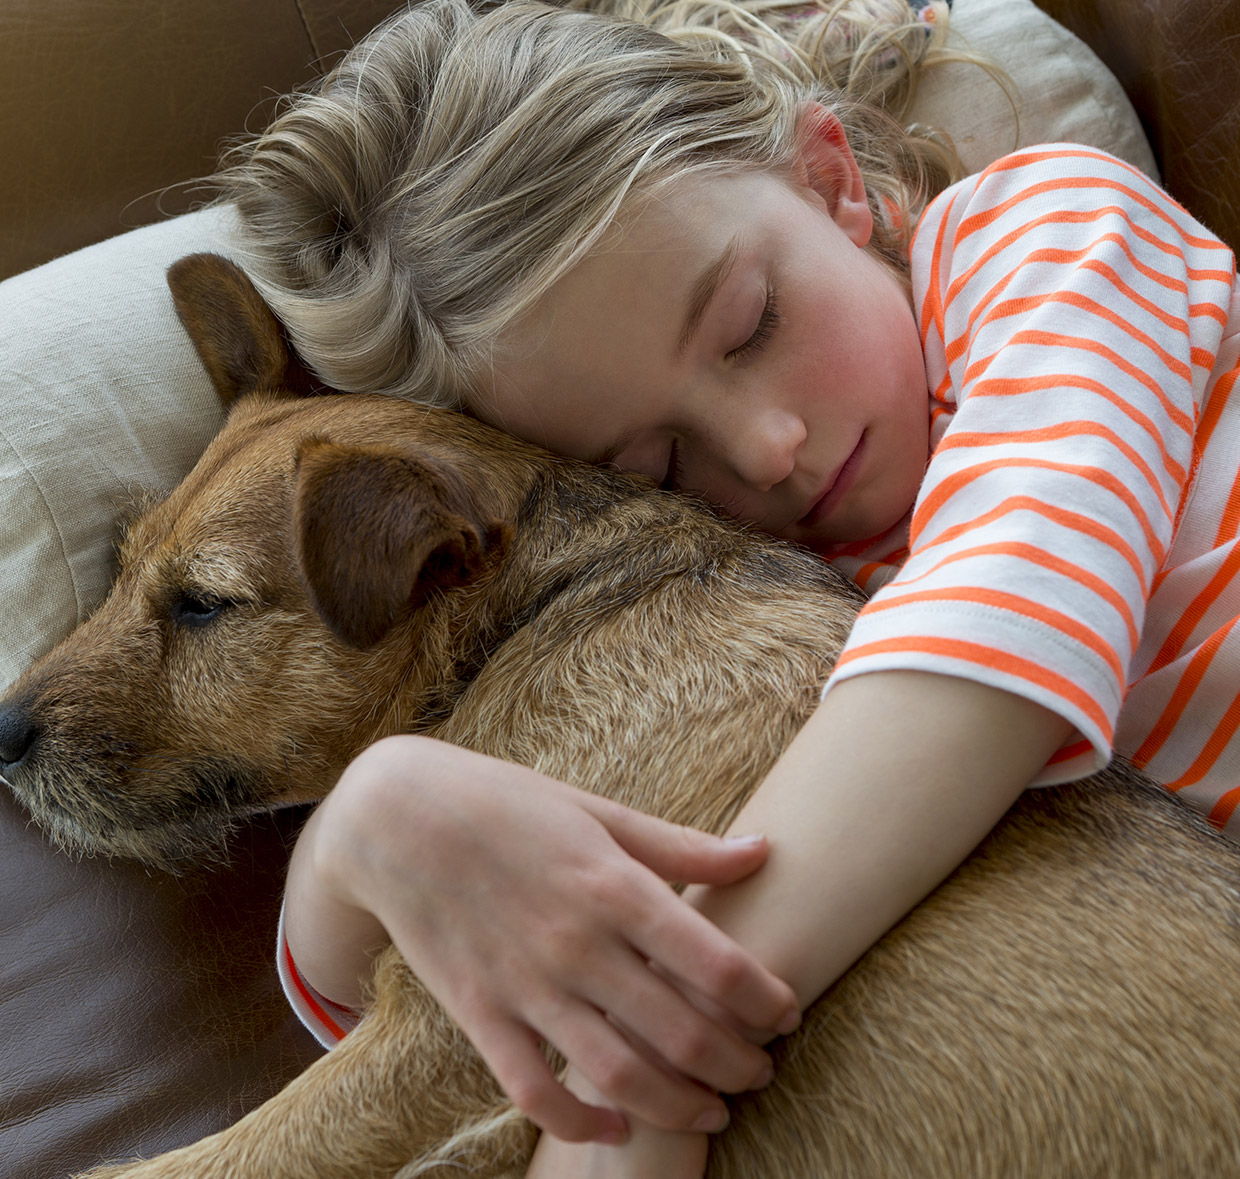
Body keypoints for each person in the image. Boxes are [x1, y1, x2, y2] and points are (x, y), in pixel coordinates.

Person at [215, 0, 1240, 1174]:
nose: (764, 448)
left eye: (751, 324)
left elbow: (1000, 630)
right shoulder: (751, 598)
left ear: (827, 177)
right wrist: (369, 824)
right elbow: (454, 1010)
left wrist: (653, 1054)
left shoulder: (1044, 233)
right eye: (651, 464)